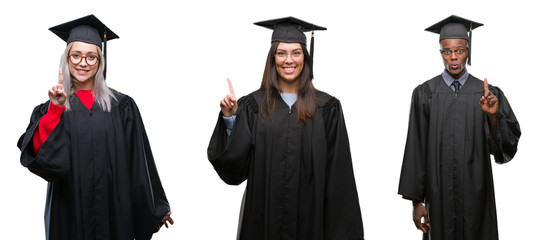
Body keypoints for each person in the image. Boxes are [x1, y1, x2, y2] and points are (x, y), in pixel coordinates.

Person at [17, 15, 173, 240]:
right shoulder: (51, 107)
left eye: (91, 57)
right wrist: (55, 110)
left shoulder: (122, 107)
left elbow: (139, 161)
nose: (83, 62)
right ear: (67, 59)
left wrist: (155, 208)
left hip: (114, 214)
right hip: (68, 215)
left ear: (100, 61)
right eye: (76, 55)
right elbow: (42, 160)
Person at [207, 17, 364, 240]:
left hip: (311, 223)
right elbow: (234, 170)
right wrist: (231, 119)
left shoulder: (327, 108)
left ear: (305, 58)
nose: (288, 60)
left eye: (296, 53)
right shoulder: (252, 106)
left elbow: (340, 178)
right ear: (272, 58)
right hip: (262, 222)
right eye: (281, 53)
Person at [398, 15, 521, 240]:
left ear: (468, 49)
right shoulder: (425, 94)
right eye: (447, 51)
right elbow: (416, 148)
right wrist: (417, 202)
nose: (453, 57)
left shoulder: (488, 94)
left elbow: (504, 150)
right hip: (438, 195)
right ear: (441, 51)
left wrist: (494, 117)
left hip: (477, 196)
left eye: (460, 50)